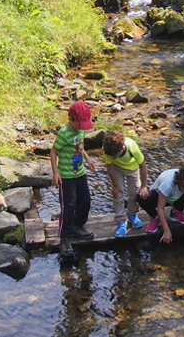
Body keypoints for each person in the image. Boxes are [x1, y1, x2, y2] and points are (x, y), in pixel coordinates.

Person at [50, 101, 97, 258]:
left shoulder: (80, 131)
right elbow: (53, 151)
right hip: (66, 176)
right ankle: (65, 238)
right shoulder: (64, 133)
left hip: (80, 173)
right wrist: (55, 173)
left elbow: (80, 148)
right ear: (71, 118)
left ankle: (78, 226)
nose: (82, 127)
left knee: (85, 201)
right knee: (68, 206)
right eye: (80, 124)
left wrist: (88, 159)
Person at [136, 163, 184, 244]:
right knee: (141, 197)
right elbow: (160, 208)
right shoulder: (169, 184)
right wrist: (167, 231)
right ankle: (155, 217)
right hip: (159, 197)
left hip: (175, 199)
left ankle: (176, 212)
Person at [103, 130, 148, 238]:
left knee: (134, 194)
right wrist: (116, 186)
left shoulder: (132, 147)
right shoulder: (108, 149)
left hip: (132, 169)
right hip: (117, 169)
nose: (112, 157)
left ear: (122, 148)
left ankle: (132, 215)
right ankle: (121, 222)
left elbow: (143, 167)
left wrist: (144, 186)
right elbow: (110, 167)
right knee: (118, 194)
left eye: (115, 156)